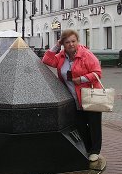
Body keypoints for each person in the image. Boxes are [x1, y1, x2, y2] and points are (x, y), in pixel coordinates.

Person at [42, 29, 102, 162]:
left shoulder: (86, 54)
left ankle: (95, 151)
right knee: (80, 124)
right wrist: (57, 46)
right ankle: (87, 148)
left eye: (73, 41)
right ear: (63, 43)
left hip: (89, 95)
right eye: (67, 42)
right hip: (73, 98)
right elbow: (46, 60)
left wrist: (81, 79)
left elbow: (97, 72)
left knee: (93, 124)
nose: (71, 44)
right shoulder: (61, 56)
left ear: (78, 41)